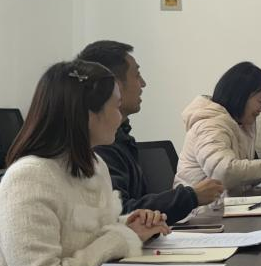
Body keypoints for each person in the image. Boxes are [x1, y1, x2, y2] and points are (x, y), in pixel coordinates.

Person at [0, 60, 170, 266]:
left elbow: (87, 234)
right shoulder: (28, 179)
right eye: (116, 106)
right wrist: (122, 238)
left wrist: (129, 226)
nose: (120, 117)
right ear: (89, 115)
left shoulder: (95, 165)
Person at [77, 40, 224, 223]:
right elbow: (121, 214)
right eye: (137, 75)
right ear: (115, 86)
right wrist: (191, 196)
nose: (143, 83)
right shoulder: (99, 146)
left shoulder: (120, 138)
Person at [176, 62, 261, 194]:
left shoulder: (239, 125)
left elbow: (239, 177)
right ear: (241, 97)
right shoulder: (210, 125)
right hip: (204, 207)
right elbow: (224, 172)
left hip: (226, 203)